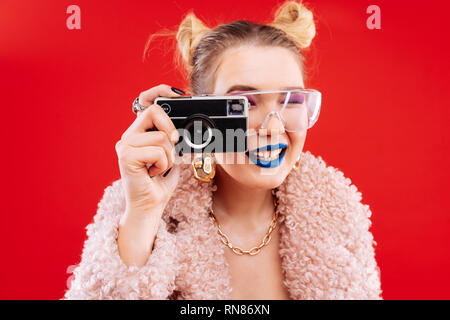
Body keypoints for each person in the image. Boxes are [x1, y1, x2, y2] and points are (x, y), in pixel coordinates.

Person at [64, 1, 382, 300]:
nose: (272, 128)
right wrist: (143, 212)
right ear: (199, 113)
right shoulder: (144, 209)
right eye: (242, 104)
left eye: (291, 101)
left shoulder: (337, 211)